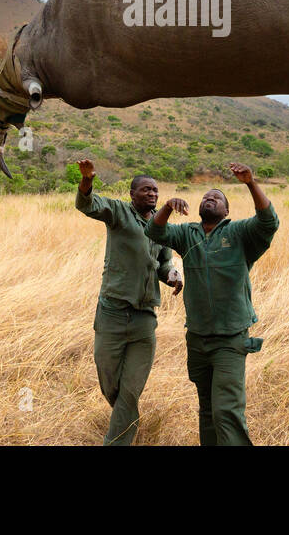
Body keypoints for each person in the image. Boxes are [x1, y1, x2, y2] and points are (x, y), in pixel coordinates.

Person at [145, 162, 277, 446]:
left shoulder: (240, 234)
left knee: (226, 411)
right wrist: (167, 206)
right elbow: (154, 233)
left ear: (226, 211)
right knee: (207, 410)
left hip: (230, 339)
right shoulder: (187, 233)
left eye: (217, 197)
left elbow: (269, 222)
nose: (210, 198)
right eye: (206, 196)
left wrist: (251, 183)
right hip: (197, 338)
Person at [75, 158, 183, 445]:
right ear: (132, 194)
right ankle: (126, 418)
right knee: (110, 384)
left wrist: (172, 275)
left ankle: (118, 438)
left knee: (131, 392)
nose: (153, 194)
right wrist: (87, 180)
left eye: (156, 190)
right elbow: (87, 205)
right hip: (112, 313)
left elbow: (163, 264)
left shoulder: (161, 228)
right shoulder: (119, 212)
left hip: (144, 320)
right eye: (146, 190)